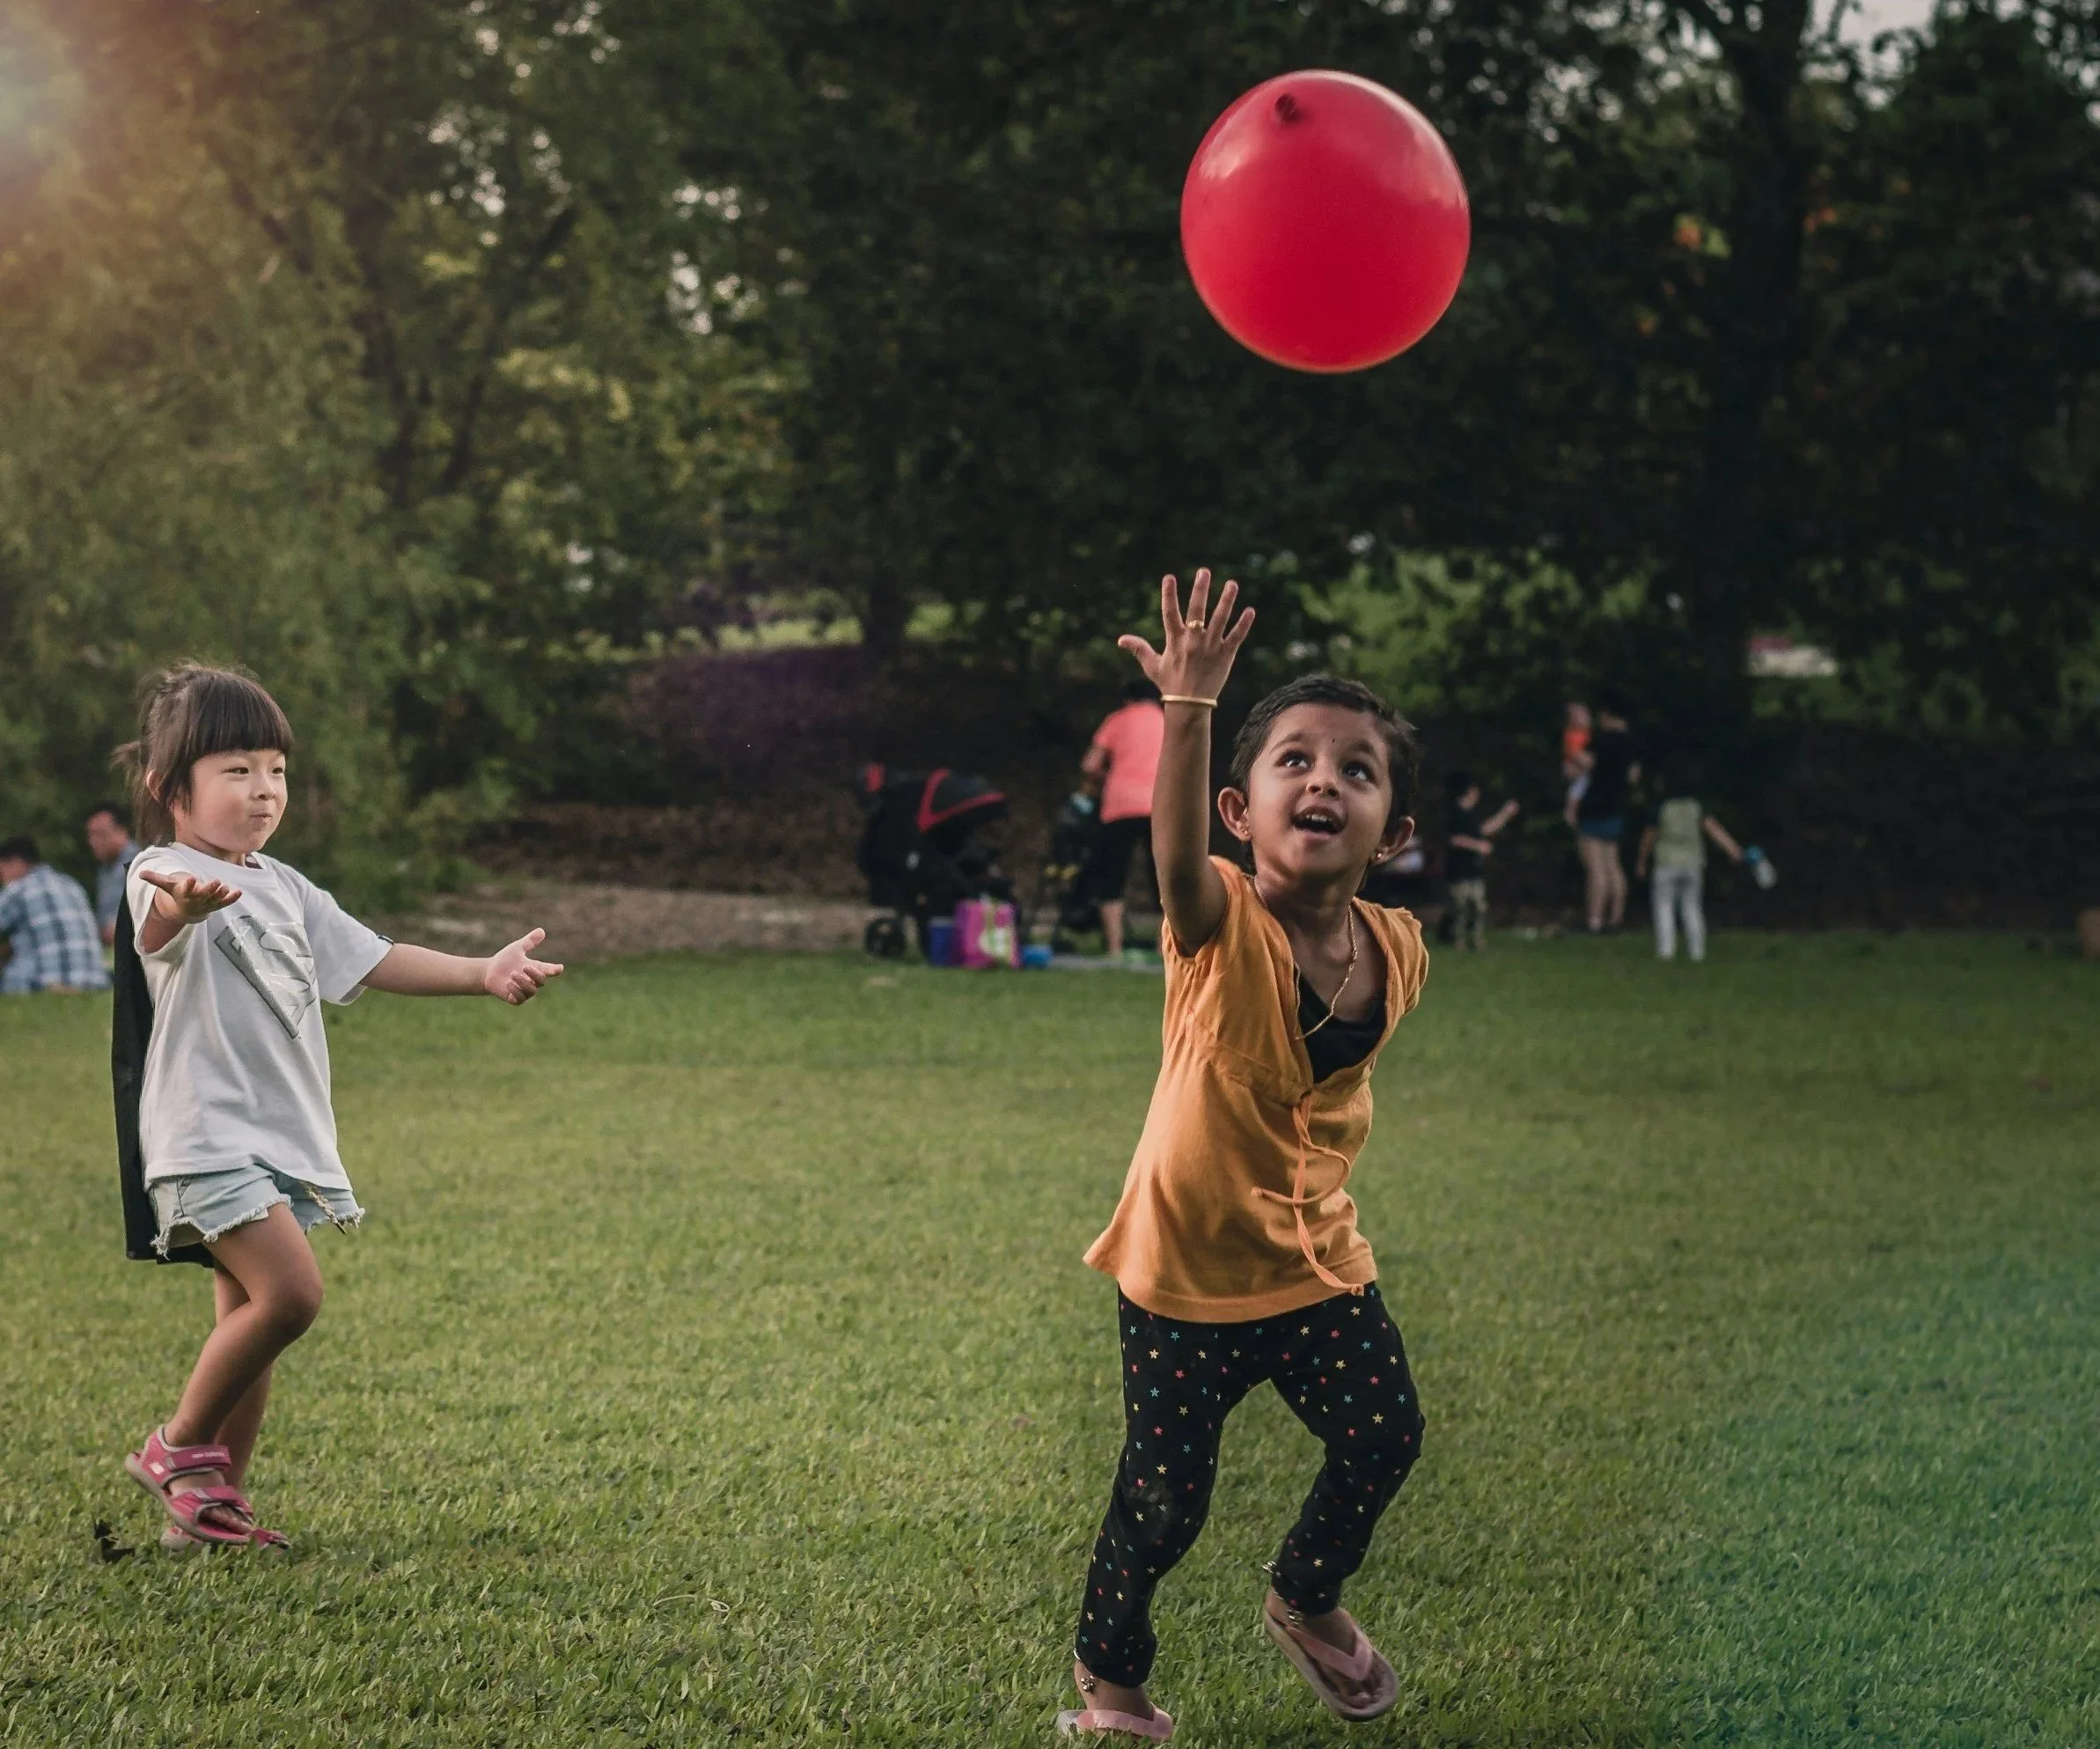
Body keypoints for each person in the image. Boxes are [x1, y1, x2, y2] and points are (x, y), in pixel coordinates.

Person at [1063, 570, 1430, 1739]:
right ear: (1237, 811)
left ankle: (1303, 1595)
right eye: (1295, 762)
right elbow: (1169, 868)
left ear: (1395, 829)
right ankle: (1112, 1688)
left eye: (1356, 769)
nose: (1324, 778)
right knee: (1164, 1504)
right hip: (1183, 1278)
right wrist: (1189, 705)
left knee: (1385, 1432)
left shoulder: (1399, 948)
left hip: (1314, 1260)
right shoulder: (1217, 925)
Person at [114, 663, 562, 1554]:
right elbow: (155, 925)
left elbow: (371, 957)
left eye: (275, 768)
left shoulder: (284, 885)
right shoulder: (163, 869)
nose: (263, 789)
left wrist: (481, 972)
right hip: (203, 1134)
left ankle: (209, 1511)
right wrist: (180, 903)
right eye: (236, 769)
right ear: (171, 788)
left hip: (273, 1136)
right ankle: (174, 1448)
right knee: (290, 1295)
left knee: (250, 1318)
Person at [1078, 677, 1167, 959]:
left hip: (1120, 804)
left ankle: (1115, 949)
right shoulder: (1167, 721)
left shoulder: (1117, 719)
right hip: (1159, 804)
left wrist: (1108, 777)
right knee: (1162, 879)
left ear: (1128, 699)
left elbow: (1090, 764)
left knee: (1112, 875)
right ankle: (1163, 949)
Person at [1634, 763, 1745, 963]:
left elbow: (1648, 837)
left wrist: (1641, 862)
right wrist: (1733, 849)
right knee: (1692, 907)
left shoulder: (1660, 808)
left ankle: (1666, 951)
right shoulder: (1696, 807)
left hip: (1666, 863)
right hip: (1693, 864)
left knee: (1664, 906)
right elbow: (1713, 829)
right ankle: (1697, 952)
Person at [0, 836, 110, 994]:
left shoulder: (18, 889)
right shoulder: (72, 885)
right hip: (93, 982)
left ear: (16, 863)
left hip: (43, 984)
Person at [1573, 695, 1640, 934]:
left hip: (1593, 808)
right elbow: (1633, 776)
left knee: (1595, 869)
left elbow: (1582, 762)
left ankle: (1594, 920)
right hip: (1616, 807)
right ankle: (1616, 918)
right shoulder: (1632, 743)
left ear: (1608, 715)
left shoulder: (1601, 740)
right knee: (1614, 865)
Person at [1443, 770, 1518, 951]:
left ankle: (1476, 939)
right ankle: (1457, 939)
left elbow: (1484, 830)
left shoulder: (1471, 814)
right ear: (1468, 791)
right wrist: (1478, 846)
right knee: (1460, 907)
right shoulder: (1455, 813)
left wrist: (1505, 814)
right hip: (1459, 871)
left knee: (1479, 907)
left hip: (1473, 871)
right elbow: (1455, 839)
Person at [85, 800, 139, 945]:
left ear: (122, 831)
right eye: (90, 835)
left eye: (99, 834)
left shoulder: (139, 863)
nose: (92, 841)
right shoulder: (104, 870)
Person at [1559, 701, 1593, 827]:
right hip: (1578, 769)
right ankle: (1570, 813)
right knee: (1577, 789)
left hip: (1582, 770)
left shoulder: (1587, 734)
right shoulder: (1573, 735)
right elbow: (1575, 753)